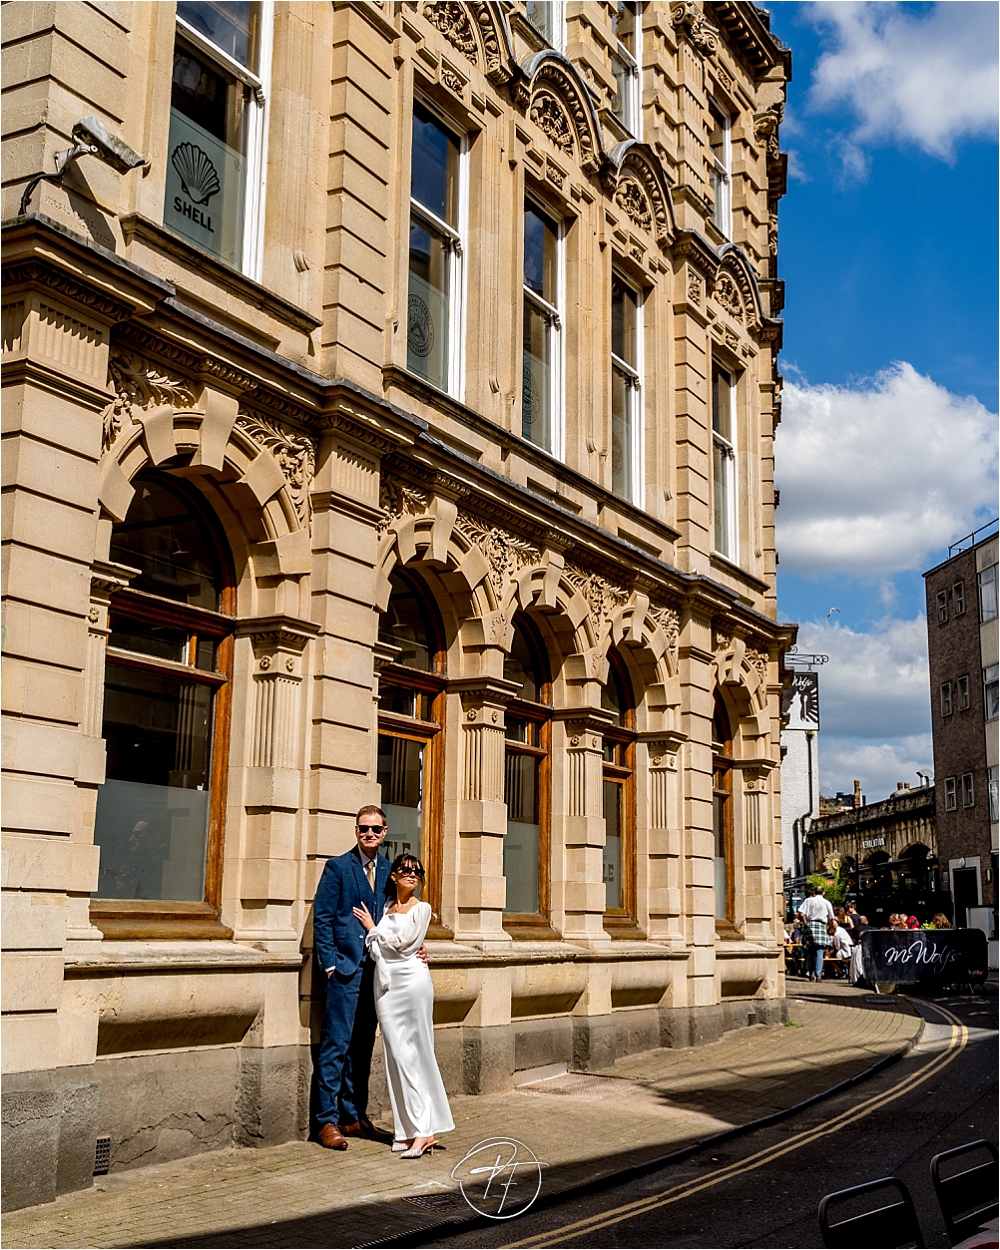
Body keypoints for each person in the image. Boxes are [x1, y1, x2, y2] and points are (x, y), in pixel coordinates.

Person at [354, 853, 455, 1158]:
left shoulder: (422, 909)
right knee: (395, 1055)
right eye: (405, 871)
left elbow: (404, 946)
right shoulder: (385, 907)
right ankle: (406, 1130)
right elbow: (376, 952)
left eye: (417, 872)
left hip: (412, 984)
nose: (412, 875)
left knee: (416, 1054)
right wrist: (379, 936)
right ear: (394, 876)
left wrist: (373, 930)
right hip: (385, 986)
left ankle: (425, 1132)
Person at [311, 804, 396, 1150]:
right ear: (356, 831)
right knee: (335, 1046)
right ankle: (325, 1121)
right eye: (364, 829)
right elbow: (323, 917)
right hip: (345, 972)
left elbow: (395, 918)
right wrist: (330, 965)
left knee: (362, 1048)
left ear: (384, 832)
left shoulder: (389, 870)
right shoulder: (338, 868)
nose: (370, 834)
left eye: (375, 829)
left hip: (376, 973)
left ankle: (353, 1117)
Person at [801, 910, 832, 981]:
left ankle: (811, 974)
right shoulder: (826, 902)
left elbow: (801, 914)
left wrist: (805, 923)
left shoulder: (808, 901)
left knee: (810, 951)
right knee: (819, 952)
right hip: (821, 926)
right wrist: (828, 928)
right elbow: (832, 918)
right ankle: (818, 975)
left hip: (810, 924)